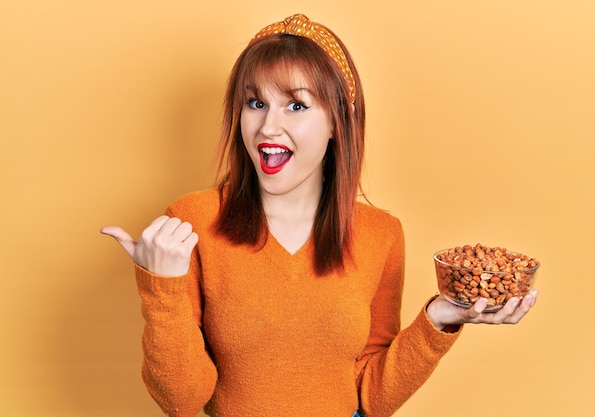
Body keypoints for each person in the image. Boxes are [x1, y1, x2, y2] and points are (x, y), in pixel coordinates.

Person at [101, 13, 538, 417]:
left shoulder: (381, 235)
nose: (268, 126)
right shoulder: (191, 222)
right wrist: (162, 290)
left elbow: (372, 396)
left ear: (337, 122)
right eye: (255, 103)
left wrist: (440, 319)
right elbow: (181, 401)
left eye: (295, 105)